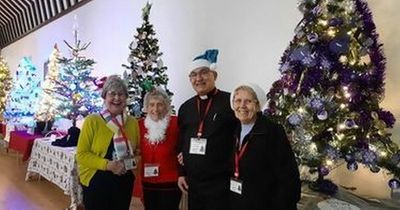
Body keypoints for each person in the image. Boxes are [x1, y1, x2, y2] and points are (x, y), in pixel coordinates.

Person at [177, 49, 238, 210]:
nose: (198, 78)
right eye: (193, 75)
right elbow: (181, 143)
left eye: (204, 72)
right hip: (194, 183)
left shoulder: (230, 102)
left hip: (221, 183)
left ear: (214, 75)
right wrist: (181, 173)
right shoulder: (185, 107)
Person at [229, 83, 301, 210]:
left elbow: (288, 176)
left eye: (248, 101)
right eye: (238, 101)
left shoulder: (272, 131)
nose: (242, 106)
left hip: (265, 203)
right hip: (238, 201)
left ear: (257, 105)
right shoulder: (232, 129)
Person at [76, 75, 140, 210]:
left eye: (121, 94)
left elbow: (138, 150)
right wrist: (108, 165)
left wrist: (134, 162)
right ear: (105, 97)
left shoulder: (132, 123)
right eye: (112, 94)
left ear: (125, 98)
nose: (117, 98)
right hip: (96, 180)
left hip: (124, 179)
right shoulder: (92, 121)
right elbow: (81, 155)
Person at [137, 87, 181, 210]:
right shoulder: (139, 125)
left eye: (159, 105)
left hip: (170, 182)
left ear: (166, 106)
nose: (155, 109)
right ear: (146, 107)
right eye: (151, 105)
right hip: (147, 182)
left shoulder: (176, 123)